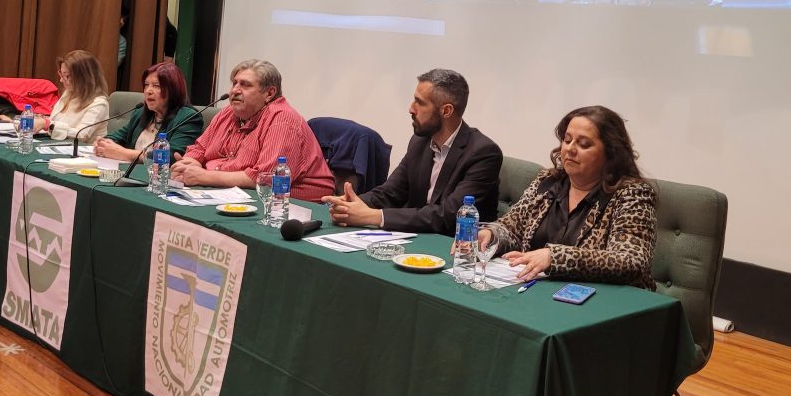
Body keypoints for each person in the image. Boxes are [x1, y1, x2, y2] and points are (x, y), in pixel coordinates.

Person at [482, 105, 656, 290]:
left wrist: (554, 257)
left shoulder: (632, 194)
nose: (570, 149)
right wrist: (491, 236)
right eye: (567, 140)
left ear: (610, 153)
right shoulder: (548, 181)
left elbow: (631, 262)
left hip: (604, 302)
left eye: (584, 144)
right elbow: (512, 227)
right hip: (538, 291)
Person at [322, 69, 501, 234]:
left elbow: (449, 215)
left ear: (446, 111)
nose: (411, 109)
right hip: (415, 241)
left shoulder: (483, 153)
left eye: (420, 103)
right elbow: (390, 192)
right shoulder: (420, 142)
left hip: (458, 250)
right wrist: (351, 204)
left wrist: (373, 216)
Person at [170, 59, 334, 201]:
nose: (235, 90)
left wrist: (204, 176)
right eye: (235, 83)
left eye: (245, 85)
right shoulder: (229, 112)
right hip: (233, 193)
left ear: (269, 93)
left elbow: (266, 178)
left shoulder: (282, 120)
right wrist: (191, 162)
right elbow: (200, 148)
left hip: (291, 203)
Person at [94, 62, 202, 161]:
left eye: (156, 86)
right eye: (146, 85)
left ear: (173, 90)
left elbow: (172, 156)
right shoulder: (141, 113)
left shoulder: (188, 118)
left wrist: (124, 153)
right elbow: (116, 137)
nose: (148, 91)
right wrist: (103, 144)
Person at [30, 50, 110, 141]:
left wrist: (48, 125)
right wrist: (41, 120)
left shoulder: (99, 103)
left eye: (67, 76)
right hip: (58, 146)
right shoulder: (69, 93)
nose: (61, 80)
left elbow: (82, 135)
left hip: (83, 152)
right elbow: (56, 123)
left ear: (84, 77)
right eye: (61, 74)